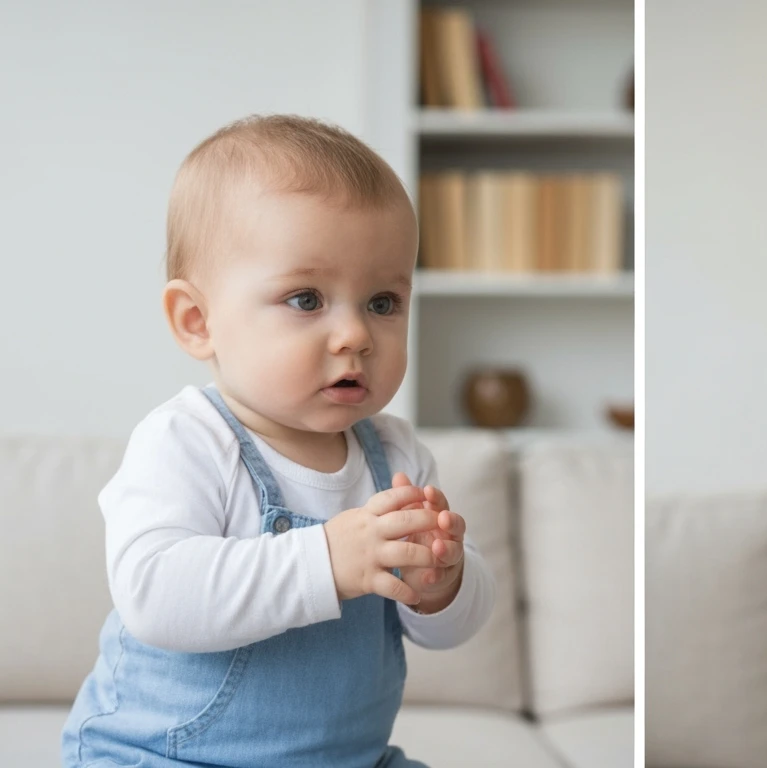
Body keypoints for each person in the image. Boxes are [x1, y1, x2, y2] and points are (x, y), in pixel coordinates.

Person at [62, 115, 496, 768]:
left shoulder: (397, 456)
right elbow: (153, 593)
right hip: (165, 757)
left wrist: (445, 583)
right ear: (198, 321)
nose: (355, 334)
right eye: (305, 299)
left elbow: (449, 631)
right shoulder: (187, 441)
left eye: (382, 301)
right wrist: (328, 558)